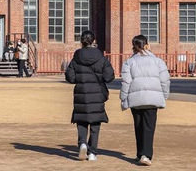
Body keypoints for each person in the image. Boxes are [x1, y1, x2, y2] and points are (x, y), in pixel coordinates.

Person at [120, 35, 170, 166]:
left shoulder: (129, 62)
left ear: (133, 47)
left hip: (135, 98)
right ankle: (146, 155)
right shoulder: (158, 61)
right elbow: (165, 81)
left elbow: (126, 82)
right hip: (153, 98)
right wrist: (164, 96)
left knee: (138, 126)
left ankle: (139, 153)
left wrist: (123, 97)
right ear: (147, 45)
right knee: (149, 127)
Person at [65, 30, 115, 162]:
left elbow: (70, 77)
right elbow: (109, 77)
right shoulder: (101, 58)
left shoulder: (76, 57)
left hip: (81, 93)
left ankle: (82, 143)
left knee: (81, 121)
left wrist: (80, 78)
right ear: (93, 41)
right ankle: (92, 152)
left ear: (82, 41)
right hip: (97, 93)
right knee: (95, 124)